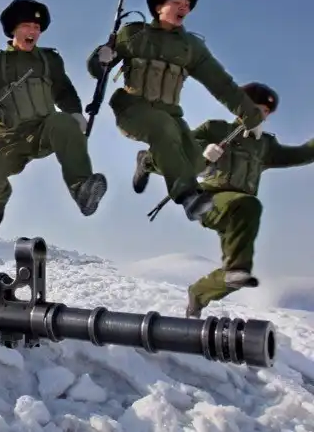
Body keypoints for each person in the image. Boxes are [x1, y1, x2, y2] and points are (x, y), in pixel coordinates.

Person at [86, 0, 265, 222]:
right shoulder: (134, 34)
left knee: (196, 163)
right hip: (132, 109)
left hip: (170, 114)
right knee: (163, 128)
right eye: (177, 2)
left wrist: (251, 116)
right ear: (159, 6)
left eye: (188, 5)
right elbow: (98, 70)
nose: (184, 8)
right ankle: (188, 196)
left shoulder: (191, 47)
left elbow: (221, 83)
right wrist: (101, 57)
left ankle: (147, 161)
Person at [133, 83, 314, 318]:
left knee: (236, 275)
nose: (261, 116)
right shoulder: (216, 129)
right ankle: (146, 161)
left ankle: (199, 294)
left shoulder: (265, 145)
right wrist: (203, 152)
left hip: (240, 210)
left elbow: (301, 154)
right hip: (208, 200)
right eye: (256, 109)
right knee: (245, 205)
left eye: (265, 112)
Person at [0, 0, 108, 228]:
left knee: (64, 121)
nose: (33, 32)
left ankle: (81, 189)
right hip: (10, 140)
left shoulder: (50, 60)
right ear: (13, 29)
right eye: (27, 26)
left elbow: (64, 91)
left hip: (44, 130)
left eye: (37, 27)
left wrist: (75, 113)